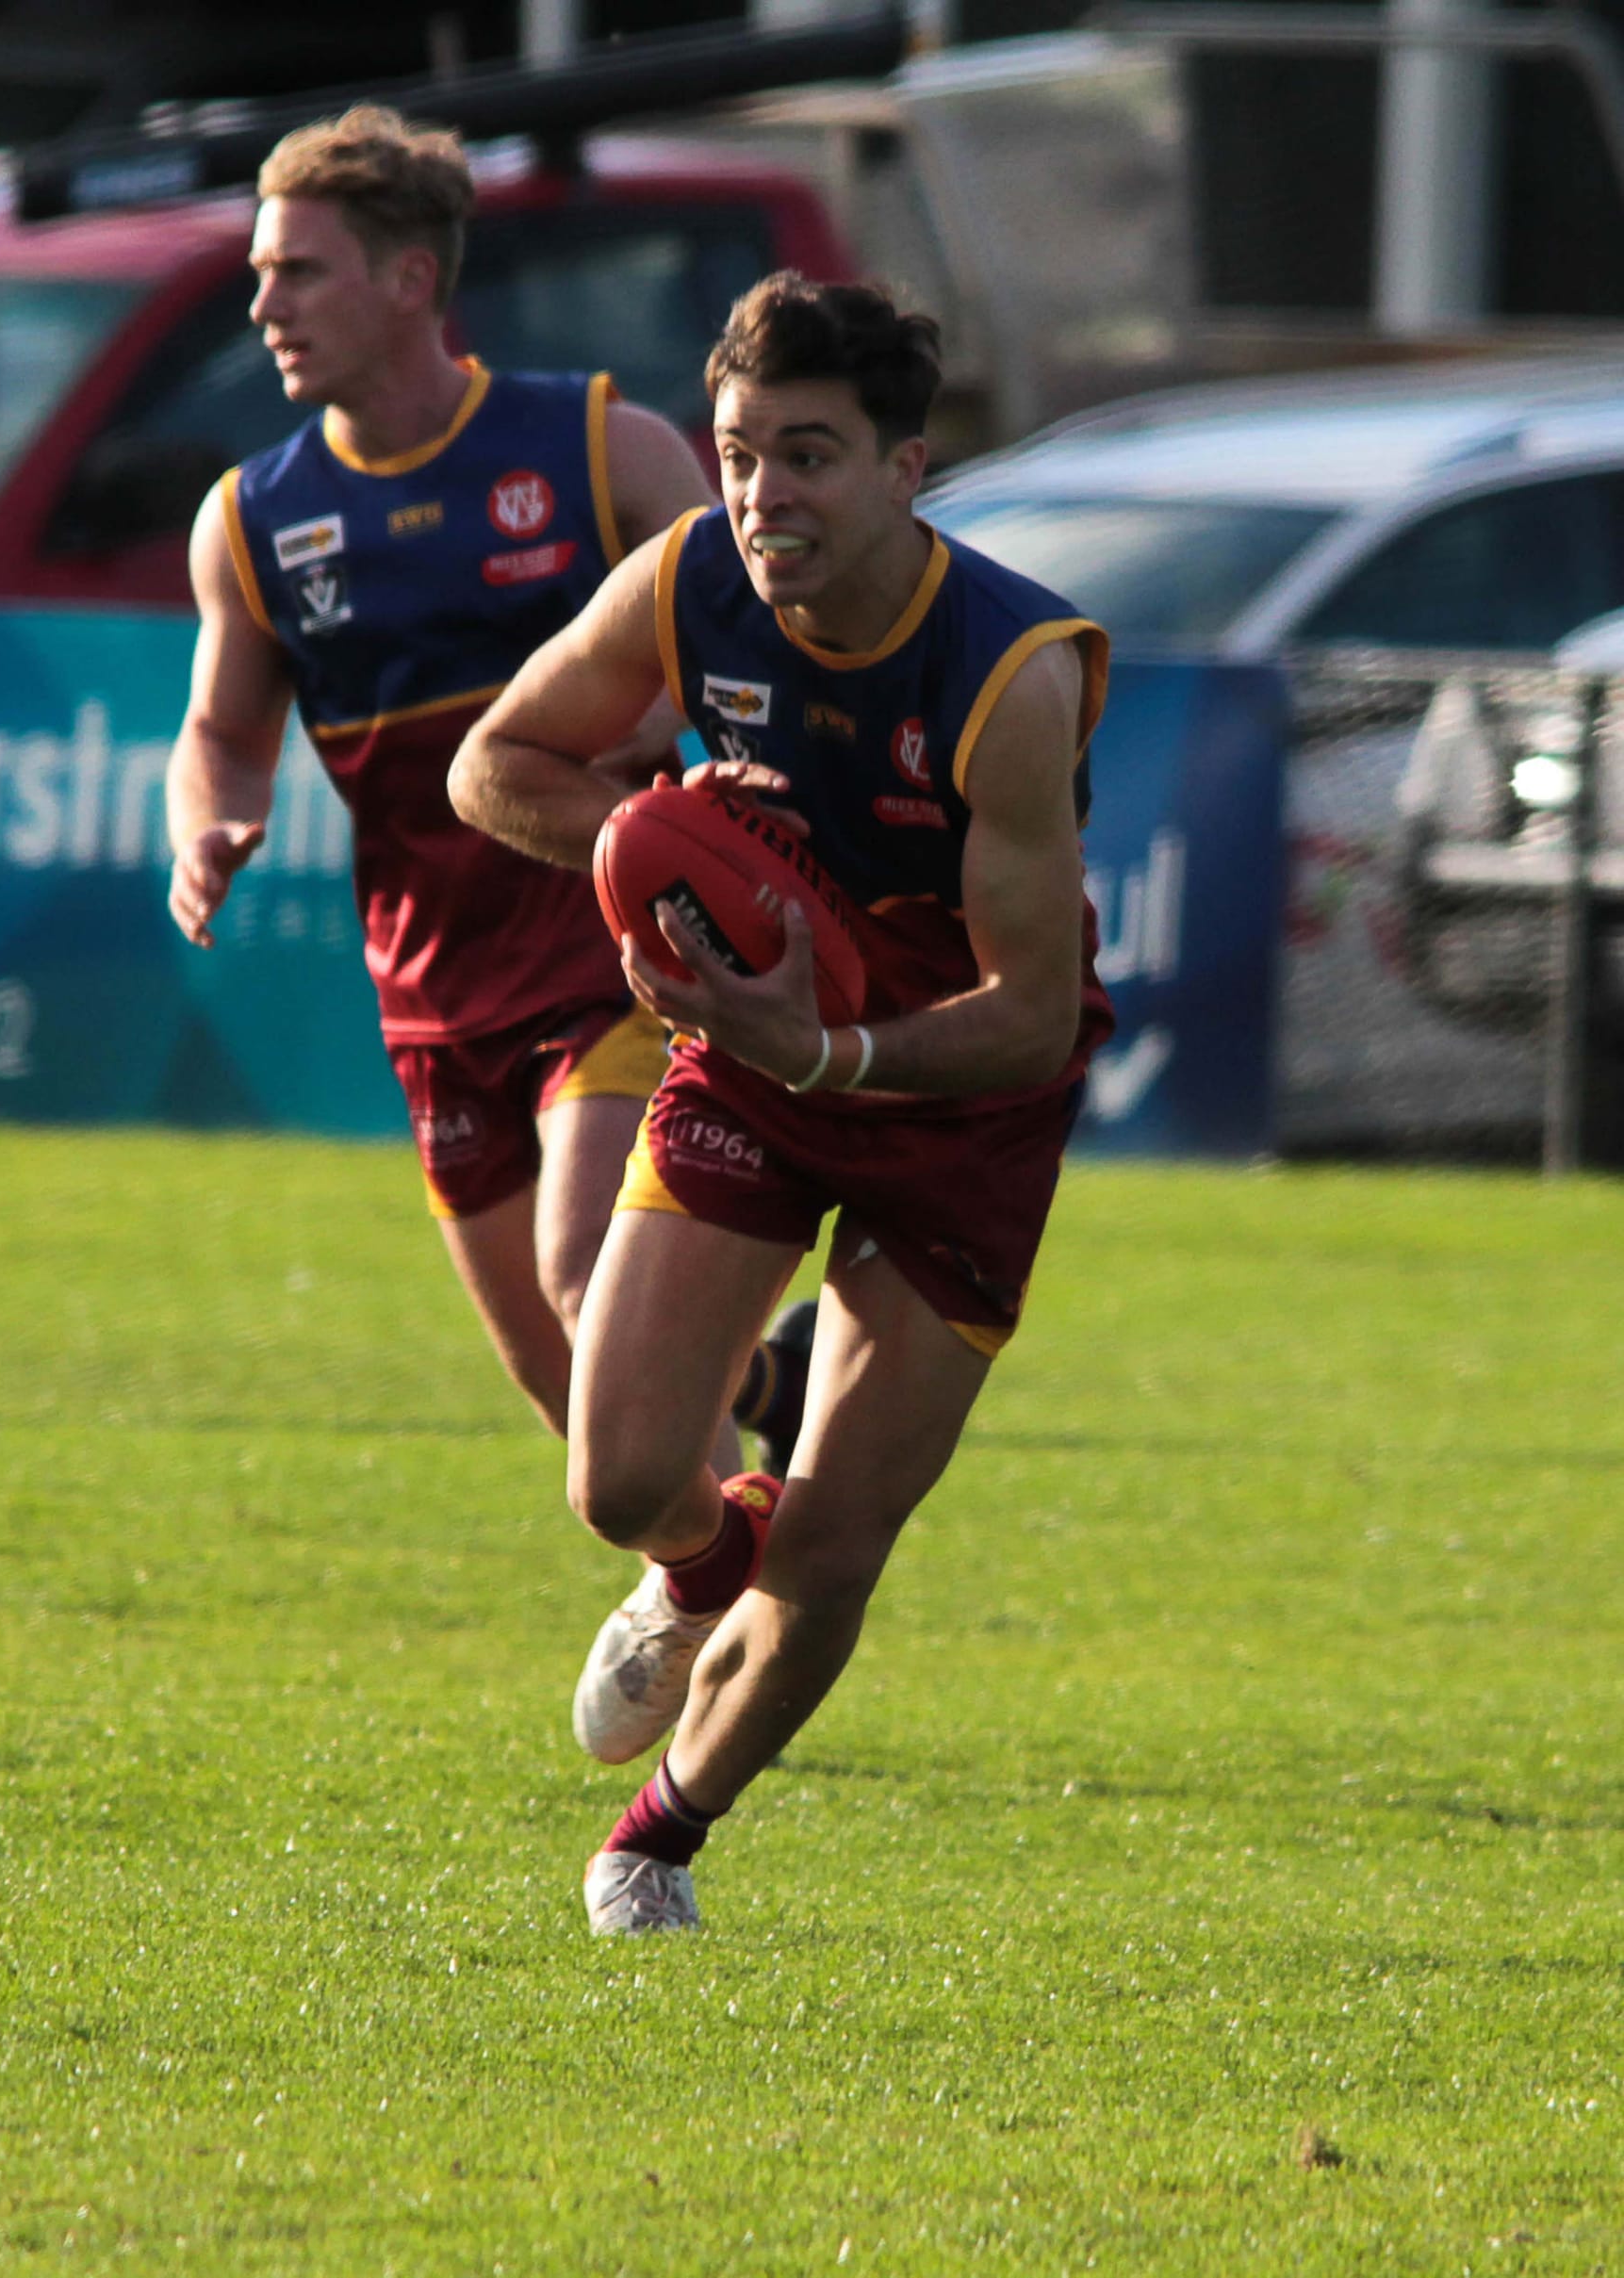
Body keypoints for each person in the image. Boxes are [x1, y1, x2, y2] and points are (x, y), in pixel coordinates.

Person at [448, 272, 1115, 1933]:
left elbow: (1030, 1020)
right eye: (740, 452)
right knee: (615, 1477)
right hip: (758, 1055)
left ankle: (654, 1839)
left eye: (808, 456)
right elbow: (493, 767)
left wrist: (835, 1051)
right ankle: (693, 1560)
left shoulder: (1008, 671)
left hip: (959, 1107)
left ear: (907, 468)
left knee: (833, 1551)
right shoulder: (687, 583)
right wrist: (647, 822)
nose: (761, 496)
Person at [165, 104, 812, 1460]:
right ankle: (755, 1427)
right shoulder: (250, 519)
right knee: (561, 1384)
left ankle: (707, 1616)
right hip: (433, 991)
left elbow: (746, 649)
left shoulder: (596, 448)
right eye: (259, 276)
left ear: (410, 281)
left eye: (298, 270)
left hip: (616, 955)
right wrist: (211, 819)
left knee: (590, 1281)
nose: (264, 305)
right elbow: (222, 728)